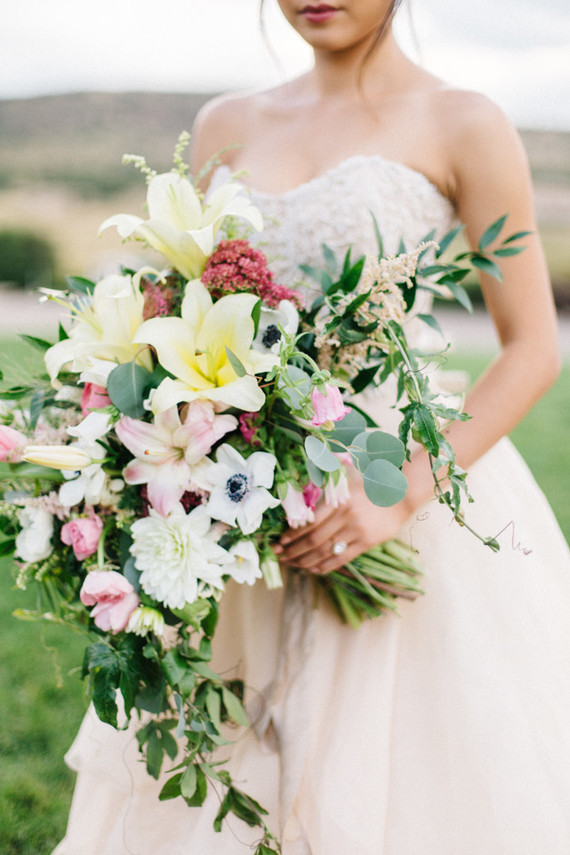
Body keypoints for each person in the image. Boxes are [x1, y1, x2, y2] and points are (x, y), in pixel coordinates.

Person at [54, 2, 570, 853]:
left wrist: (402, 494)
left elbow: (532, 348)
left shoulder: (466, 123)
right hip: (242, 488)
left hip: (393, 478)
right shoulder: (224, 122)